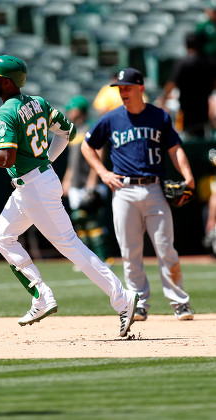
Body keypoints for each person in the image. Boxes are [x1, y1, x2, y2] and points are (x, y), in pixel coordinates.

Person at [0, 54, 139, 338]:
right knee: (2, 238)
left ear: (7, 83)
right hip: (34, 183)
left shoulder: (3, 113)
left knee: (71, 246)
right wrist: (45, 163)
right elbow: (66, 132)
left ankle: (122, 299)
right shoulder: (39, 103)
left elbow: (6, 158)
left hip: (34, 187)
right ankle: (41, 296)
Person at [81, 67, 195, 322]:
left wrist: (188, 176)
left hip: (155, 188)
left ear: (140, 88)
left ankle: (179, 302)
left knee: (166, 249)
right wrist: (102, 173)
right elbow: (87, 146)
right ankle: (139, 303)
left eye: (127, 87)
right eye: (120, 88)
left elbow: (175, 149)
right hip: (124, 190)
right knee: (130, 252)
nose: (123, 92)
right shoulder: (111, 118)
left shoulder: (159, 117)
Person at [61, 95, 113, 266]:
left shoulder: (90, 128)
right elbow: (72, 161)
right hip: (76, 183)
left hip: (89, 184)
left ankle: (103, 258)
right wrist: (67, 179)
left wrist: (93, 179)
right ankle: (85, 261)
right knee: (79, 222)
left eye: (71, 109)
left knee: (93, 221)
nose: (68, 112)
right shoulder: (73, 131)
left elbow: (99, 153)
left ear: (78, 110)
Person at [157, 32, 216, 139]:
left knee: (188, 135)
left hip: (187, 105)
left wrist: (163, 97)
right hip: (203, 105)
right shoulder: (209, 61)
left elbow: (171, 84)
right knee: (202, 134)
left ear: (186, 45)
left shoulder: (182, 62)